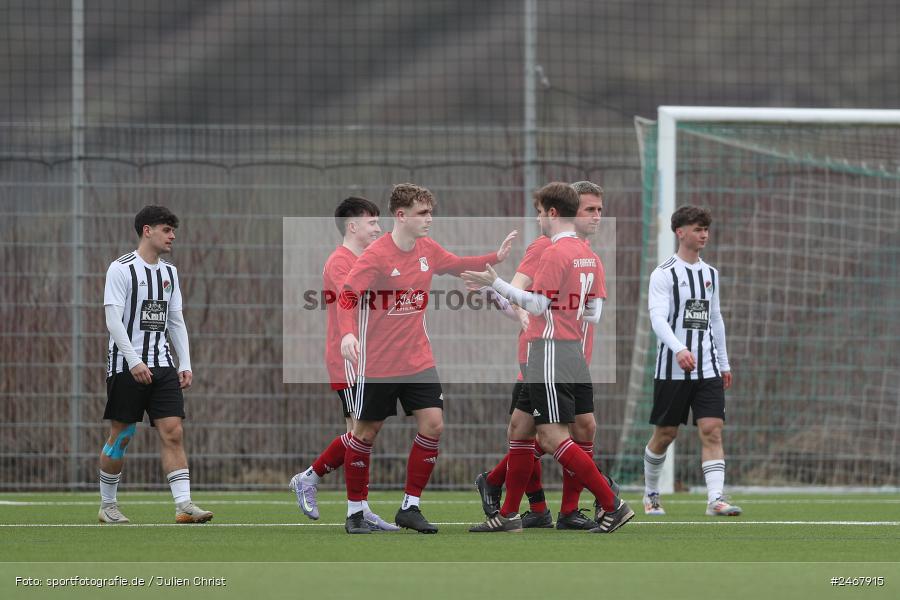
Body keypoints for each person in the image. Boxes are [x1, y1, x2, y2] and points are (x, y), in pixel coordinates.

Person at [337, 183, 516, 534]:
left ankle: (410, 506)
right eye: (423, 214)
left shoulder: (427, 249)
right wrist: (347, 332)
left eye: (431, 212)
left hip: (418, 359)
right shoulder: (375, 255)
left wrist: (494, 258)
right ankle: (356, 511)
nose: (429, 219)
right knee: (366, 433)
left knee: (433, 423)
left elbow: (458, 264)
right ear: (400, 216)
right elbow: (347, 295)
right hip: (379, 364)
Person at [463, 182, 633, 534]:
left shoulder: (557, 252)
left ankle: (611, 504)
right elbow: (594, 314)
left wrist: (497, 285)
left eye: (540, 211)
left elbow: (537, 304)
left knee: (553, 437)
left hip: (550, 350)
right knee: (521, 429)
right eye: (591, 209)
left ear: (552, 213)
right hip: (568, 352)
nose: (538, 218)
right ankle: (509, 514)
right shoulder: (590, 256)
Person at [288, 197, 398, 531]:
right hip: (348, 358)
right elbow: (356, 298)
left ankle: (339, 495)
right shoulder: (340, 262)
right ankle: (331, 491)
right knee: (360, 430)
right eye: (372, 223)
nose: (379, 228)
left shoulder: (370, 258)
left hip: (372, 357)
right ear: (352, 226)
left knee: (364, 431)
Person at [98, 205, 212, 524]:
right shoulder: (120, 269)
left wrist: (184, 362)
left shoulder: (169, 273)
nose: (172, 235)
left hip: (162, 365)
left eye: (173, 230)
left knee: (173, 431)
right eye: (166, 229)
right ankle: (108, 505)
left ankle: (184, 505)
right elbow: (113, 320)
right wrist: (133, 360)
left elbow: (175, 320)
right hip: (126, 364)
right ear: (147, 231)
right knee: (121, 435)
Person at [642, 205, 741, 517]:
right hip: (672, 368)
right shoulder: (663, 274)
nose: (704, 235)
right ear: (680, 232)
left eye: (706, 230)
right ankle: (651, 493)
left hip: (708, 367)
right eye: (698, 229)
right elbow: (658, 319)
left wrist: (723, 362)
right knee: (665, 435)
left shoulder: (710, 274)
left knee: (712, 428)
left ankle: (715, 499)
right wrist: (678, 349)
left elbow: (716, 319)